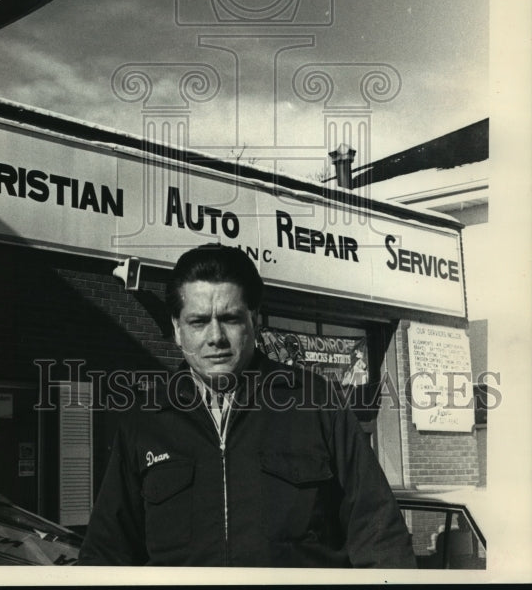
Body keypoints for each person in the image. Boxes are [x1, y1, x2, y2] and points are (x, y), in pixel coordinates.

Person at [78, 243, 416, 568]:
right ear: (177, 330)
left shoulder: (315, 402)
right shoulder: (146, 420)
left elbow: (379, 533)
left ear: (254, 321)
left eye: (230, 318)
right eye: (198, 321)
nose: (215, 337)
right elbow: (105, 554)